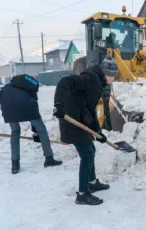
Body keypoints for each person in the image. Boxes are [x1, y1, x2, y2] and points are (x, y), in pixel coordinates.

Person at [53, 55, 118, 205]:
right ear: (108, 74)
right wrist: (59, 104)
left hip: (82, 121)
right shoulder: (90, 78)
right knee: (87, 155)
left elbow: (90, 109)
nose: (113, 79)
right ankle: (82, 194)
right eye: (113, 76)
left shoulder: (97, 81)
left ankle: (92, 182)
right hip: (73, 123)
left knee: (91, 150)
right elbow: (65, 81)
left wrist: (97, 132)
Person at [0, 74, 62, 174]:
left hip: (8, 110)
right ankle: (49, 159)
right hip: (28, 108)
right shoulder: (29, 88)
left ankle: (15, 164)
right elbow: (34, 106)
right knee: (42, 130)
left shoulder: (6, 87)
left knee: (15, 131)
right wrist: (35, 130)